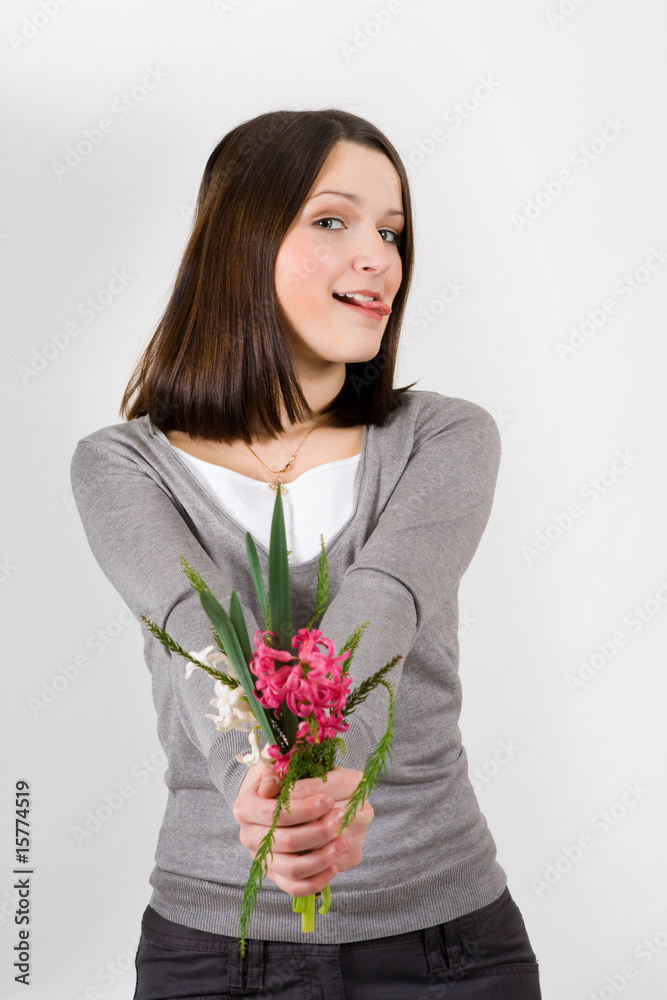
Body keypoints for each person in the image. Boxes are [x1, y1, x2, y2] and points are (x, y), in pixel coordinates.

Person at [70, 109, 542, 999]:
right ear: (236, 243)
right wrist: (263, 791)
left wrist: (329, 782)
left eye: (392, 232)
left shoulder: (442, 437)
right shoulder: (123, 465)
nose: (379, 258)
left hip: (448, 947)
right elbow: (198, 628)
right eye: (333, 220)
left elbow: (384, 601)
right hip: (215, 950)